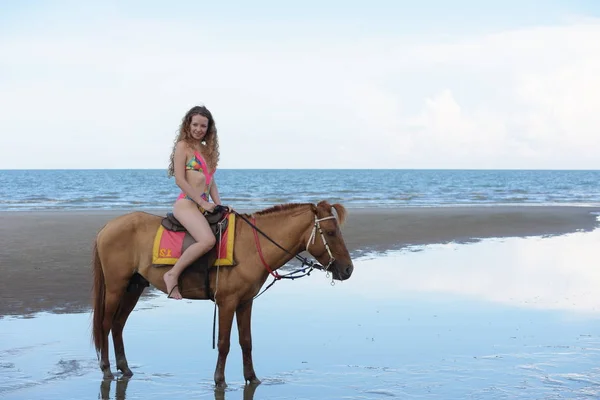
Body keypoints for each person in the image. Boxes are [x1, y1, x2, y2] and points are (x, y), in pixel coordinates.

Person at [163, 105, 222, 300]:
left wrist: (219, 204)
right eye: (195, 124)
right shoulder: (183, 146)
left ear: (208, 128)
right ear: (188, 125)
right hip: (187, 203)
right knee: (207, 240)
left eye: (203, 126)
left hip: (203, 205)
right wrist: (202, 203)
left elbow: (211, 181)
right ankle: (172, 274)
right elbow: (180, 180)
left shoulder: (206, 151)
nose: (198, 129)